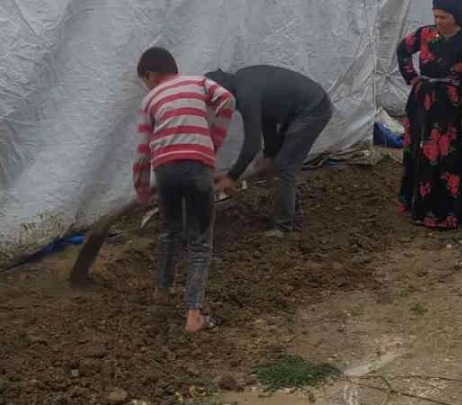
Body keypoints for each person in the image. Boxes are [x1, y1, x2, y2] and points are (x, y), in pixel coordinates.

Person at [132, 47, 235, 333]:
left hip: (165, 169)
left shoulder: (150, 99)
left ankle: (161, 292)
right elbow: (227, 99)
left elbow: (142, 151)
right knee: (200, 242)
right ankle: (193, 316)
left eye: (144, 80)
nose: (147, 85)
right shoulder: (198, 82)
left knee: (170, 232)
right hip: (198, 166)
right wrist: (212, 143)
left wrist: (142, 192)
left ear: (151, 74)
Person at [395, 0, 462, 229]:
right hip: (422, 101)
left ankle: (448, 213)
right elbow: (402, 50)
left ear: (456, 17)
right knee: (420, 150)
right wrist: (412, 77)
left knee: (448, 154)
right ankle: (419, 208)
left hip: (451, 105)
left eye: (443, 17)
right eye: (435, 16)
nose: (438, 21)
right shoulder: (424, 34)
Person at [207, 65, 332, 233]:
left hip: (314, 109)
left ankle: (282, 226)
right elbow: (268, 117)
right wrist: (270, 154)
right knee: (278, 162)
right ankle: (292, 212)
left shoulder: (246, 95)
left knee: (285, 166)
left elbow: (252, 144)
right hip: (299, 110)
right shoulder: (243, 79)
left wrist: (232, 177)